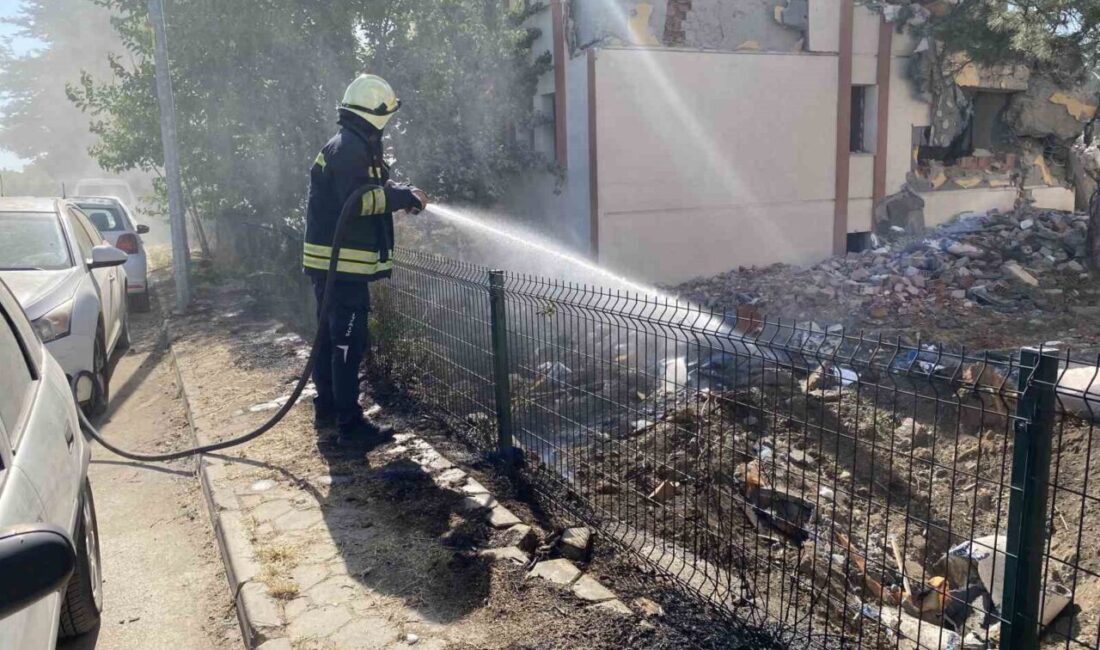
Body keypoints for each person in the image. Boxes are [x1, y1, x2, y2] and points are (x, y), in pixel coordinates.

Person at [303, 74, 428, 445]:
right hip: (341, 269)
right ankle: (350, 426)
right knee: (346, 342)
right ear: (375, 113)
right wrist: (402, 198)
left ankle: (328, 407)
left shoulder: (353, 145)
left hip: (335, 266)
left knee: (330, 338)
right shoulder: (350, 149)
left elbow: (370, 188)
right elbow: (357, 201)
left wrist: (403, 194)